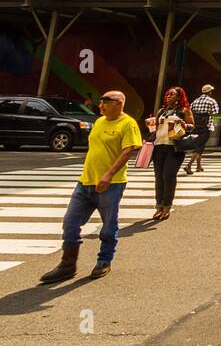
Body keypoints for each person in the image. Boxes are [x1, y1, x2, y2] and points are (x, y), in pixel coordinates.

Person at [40, 90, 143, 282]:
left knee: (108, 226)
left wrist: (108, 174)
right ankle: (68, 265)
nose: (101, 105)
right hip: (86, 181)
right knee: (70, 222)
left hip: (111, 184)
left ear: (119, 103)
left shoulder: (128, 124)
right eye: (101, 102)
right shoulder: (99, 122)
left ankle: (104, 260)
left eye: (106, 102)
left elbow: (127, 151)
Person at [149, 86, 193, 222]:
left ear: (179, 97)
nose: (168, 97)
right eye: (167, 94)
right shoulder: (162, 111)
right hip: (158, 146)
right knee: (159, 178)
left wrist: (183, 124)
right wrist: (151, 125)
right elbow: (154, 129)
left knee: (168, 176)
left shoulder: (183, 110)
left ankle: (167, 206)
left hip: (174, 147)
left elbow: (192, 126)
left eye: (172, 95)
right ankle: (159, 206)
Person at [186, 84, 219, 175]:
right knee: (200, 146)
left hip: (195, 126)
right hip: (205, 126)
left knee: (199, 145)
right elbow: (215, 113)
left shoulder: (195, 101)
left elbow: (190, 111)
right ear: (210, 92)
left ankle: (198, 166)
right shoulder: (212, 101)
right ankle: (189, 165)